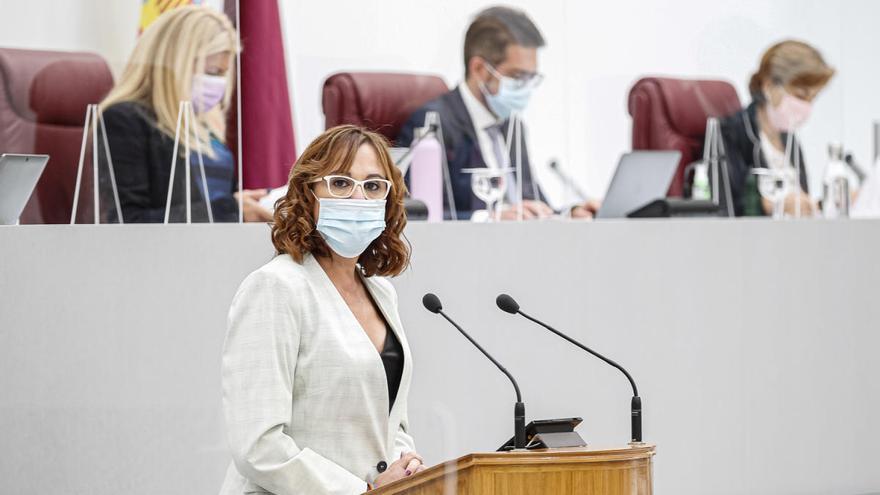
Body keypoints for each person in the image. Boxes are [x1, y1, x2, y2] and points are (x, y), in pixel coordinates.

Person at [219, 125, 425, 495]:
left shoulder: (382, 292)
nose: (358, 199)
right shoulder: (277, 287)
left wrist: (404, 464)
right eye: (341, 184)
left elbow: (388, 422)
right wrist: (361, 490)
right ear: (308, 193)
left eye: (374, 186)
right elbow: (258, 444)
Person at [398, 5, 599, 220]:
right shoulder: (433, 123)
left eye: (531, 78)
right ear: (479, 69)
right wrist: (489, 218)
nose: (526, 87)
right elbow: (418, 215)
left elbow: (531, 204)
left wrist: (569, 214)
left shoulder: (513, 125)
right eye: (517, 76)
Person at [99, 6, 272, 223]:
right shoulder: (125, 120)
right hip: (164, 254)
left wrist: (250, 203)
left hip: (217, 248)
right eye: (212, 72)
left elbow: (216, 199)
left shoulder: (204, 123)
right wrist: (229, 210)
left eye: (223, 73)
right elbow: (128, 221)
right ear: (176, 63)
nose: (219, 83)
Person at [720, 40, 835, 217]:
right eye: (801, 95)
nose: (807, 106)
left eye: (813, 98)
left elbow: (800, 202)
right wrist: (771, 205)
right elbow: (728, 206)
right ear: (768, 86)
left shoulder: (788, 138)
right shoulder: (731, 133)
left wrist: (825, 203)